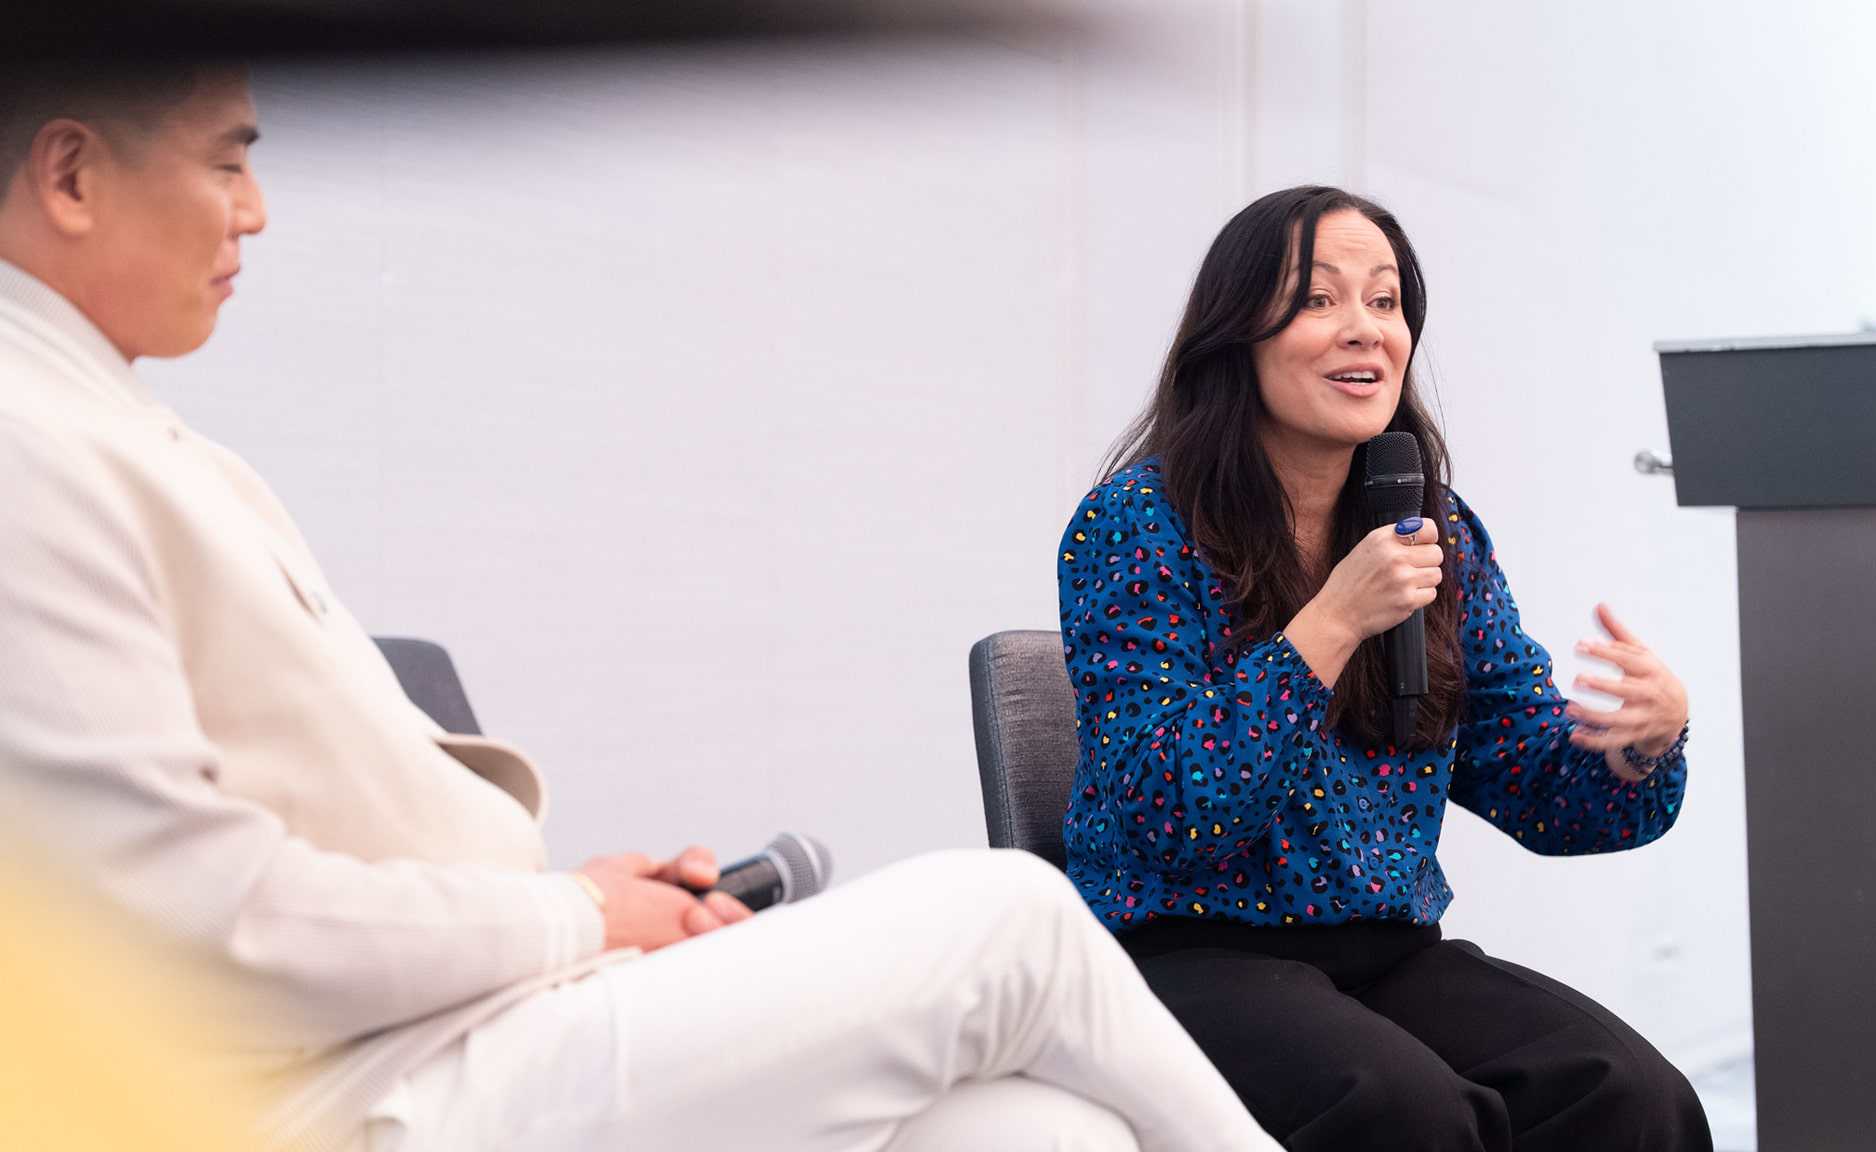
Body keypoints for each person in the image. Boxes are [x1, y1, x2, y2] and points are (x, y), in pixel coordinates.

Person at [0, 63, 1286, 1152]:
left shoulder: (108, 429)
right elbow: (202, 930)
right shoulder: (30, 451)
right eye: (228, 165)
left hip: (430, 1027)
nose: (257, 210)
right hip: (335, 1096)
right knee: (1009, 920)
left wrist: (568, 900)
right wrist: (571, 921)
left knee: (1034, 1133)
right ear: (69, 177)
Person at [1057, 185, 1714, 1151]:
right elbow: (1169, 812)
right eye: (1319, 301)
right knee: (1407, 1114)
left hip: (1386, 952)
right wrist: (1328, 626)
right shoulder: (1138, 525)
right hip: (1182, 954)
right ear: (1236, 335)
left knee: (1631, 1093)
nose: (1365, 330)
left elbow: (1537, 790)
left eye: (1385, 300)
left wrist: (1637, 748)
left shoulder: (1433, 532)